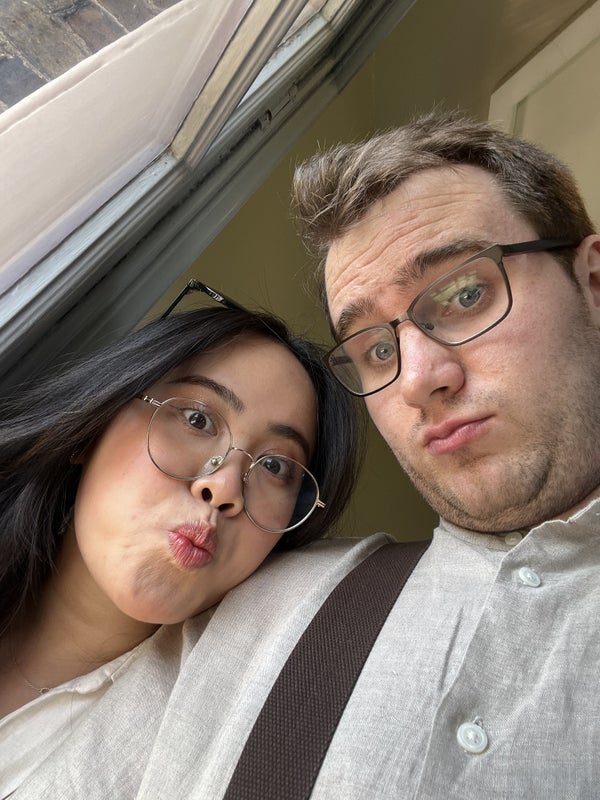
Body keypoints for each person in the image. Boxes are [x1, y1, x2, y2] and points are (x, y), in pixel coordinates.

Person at [125, 111, 599, 800]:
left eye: (465, 294)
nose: (417, 379)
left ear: (592, 283)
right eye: (377, 348)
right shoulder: (251, 615)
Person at [0, 297, 363, 797]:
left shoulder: (194, 751)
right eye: (197, 419)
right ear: (94, 424)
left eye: (275, 466)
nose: (225, 487)